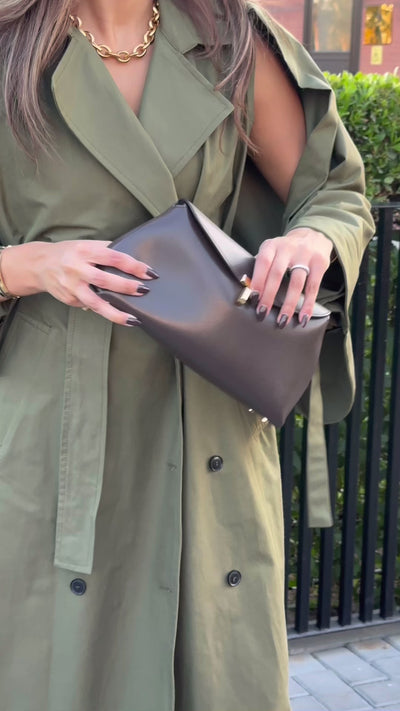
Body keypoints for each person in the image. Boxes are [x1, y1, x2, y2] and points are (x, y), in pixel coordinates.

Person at [0, 1, 374, 710]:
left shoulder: (229, 38)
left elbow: (331, 190)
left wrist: (312, 240)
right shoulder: (10, 48)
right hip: (56, 437)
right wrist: (26, 266)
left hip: (212, 422)